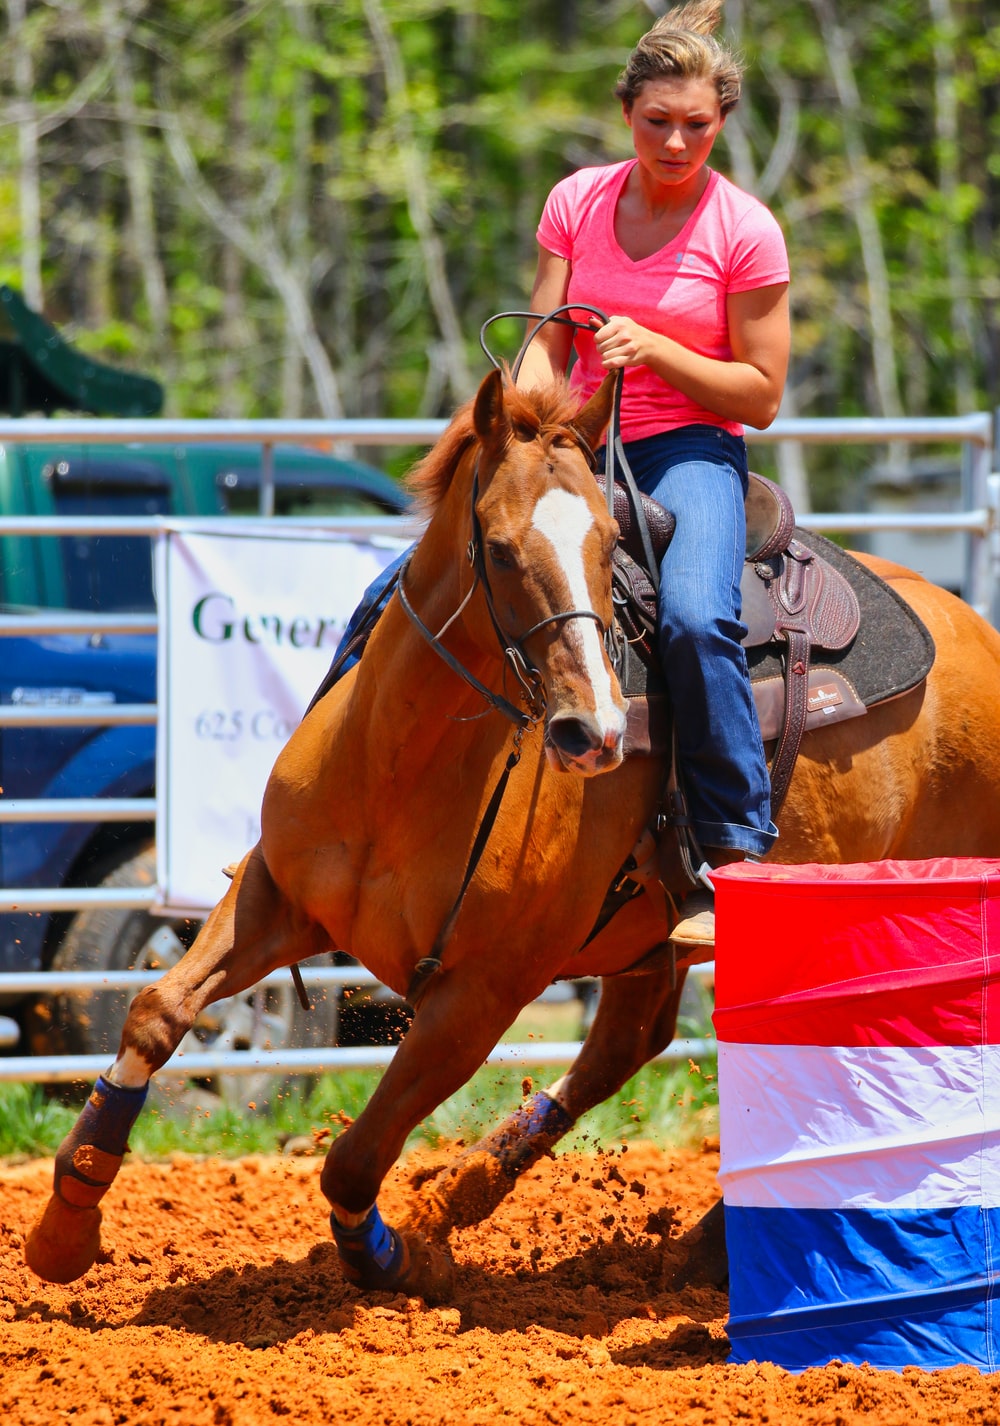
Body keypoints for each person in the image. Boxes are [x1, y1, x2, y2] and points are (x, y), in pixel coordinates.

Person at [516, 0, 790, 948]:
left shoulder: (745, 229)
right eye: (657, 121)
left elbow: (761, 394)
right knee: (427, 578)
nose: (676, 142)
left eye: (698, 125)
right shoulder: (576, 201)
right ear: (625, 112)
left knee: (695, 618)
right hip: (576, 444)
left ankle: (733, 852)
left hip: (690, 450)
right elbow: (548, 338)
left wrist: (661, 351)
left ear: (723, 122)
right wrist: (527, 422)